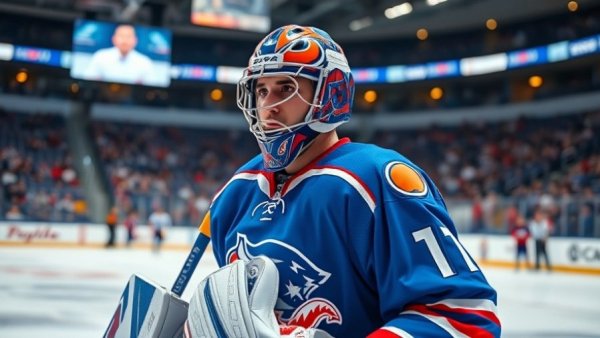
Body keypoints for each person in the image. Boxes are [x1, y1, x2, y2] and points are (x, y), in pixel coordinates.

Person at [186, 25, 500, 337]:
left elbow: (462, 317)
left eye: (286, 88)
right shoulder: (235, 192)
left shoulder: (378, 179)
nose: (268, 106)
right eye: (261, 90)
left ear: (329, 95)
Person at [85, 24, 154, 85]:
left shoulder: (145, 62)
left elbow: (151, 86)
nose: (125, 40)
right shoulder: (100, 56)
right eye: (121, 36)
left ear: (135, 40)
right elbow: (89, 81)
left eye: (128, 36)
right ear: (113, 39)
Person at [529, 207, 552, 271]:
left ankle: (548, 266)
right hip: (537, 239)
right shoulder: (533, 223)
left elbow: (546, 231)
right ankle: (537, 266)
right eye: (536, 216)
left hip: (543, 239)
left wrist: (545, 238)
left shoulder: (544, 222)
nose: (538, 217)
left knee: (545, 253)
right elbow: (533, 232)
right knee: (537, 253)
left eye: (539, 215)